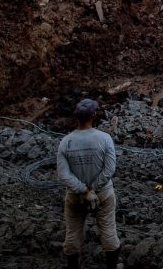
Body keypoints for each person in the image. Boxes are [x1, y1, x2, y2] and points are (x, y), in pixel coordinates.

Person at [56, 99, 120, 269]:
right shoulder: (105, 138)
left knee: (72, 236)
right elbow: (109, 169)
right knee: (109, 234)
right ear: (93, 115)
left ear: (76, 117)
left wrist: (84, 191)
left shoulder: (65, 142)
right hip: (103, 194)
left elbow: (64, 175)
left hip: (76, 197)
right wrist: (93, 189)